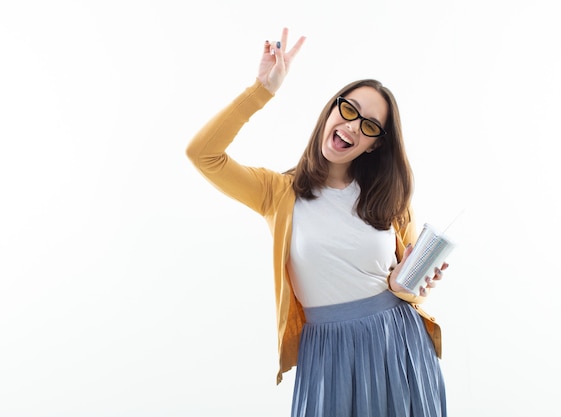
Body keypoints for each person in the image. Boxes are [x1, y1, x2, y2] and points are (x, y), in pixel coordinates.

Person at [186, 27, 449, 417]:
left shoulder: (390, 198)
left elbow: (411, 287)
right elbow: (203, 154)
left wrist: (407, 286)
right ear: (331, 109)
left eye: (370, 126)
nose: (353, 126)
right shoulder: (277, 192)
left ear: (375, 143)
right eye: (348, 110)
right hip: (327, 354)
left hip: (399, 344)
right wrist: (262, 90)